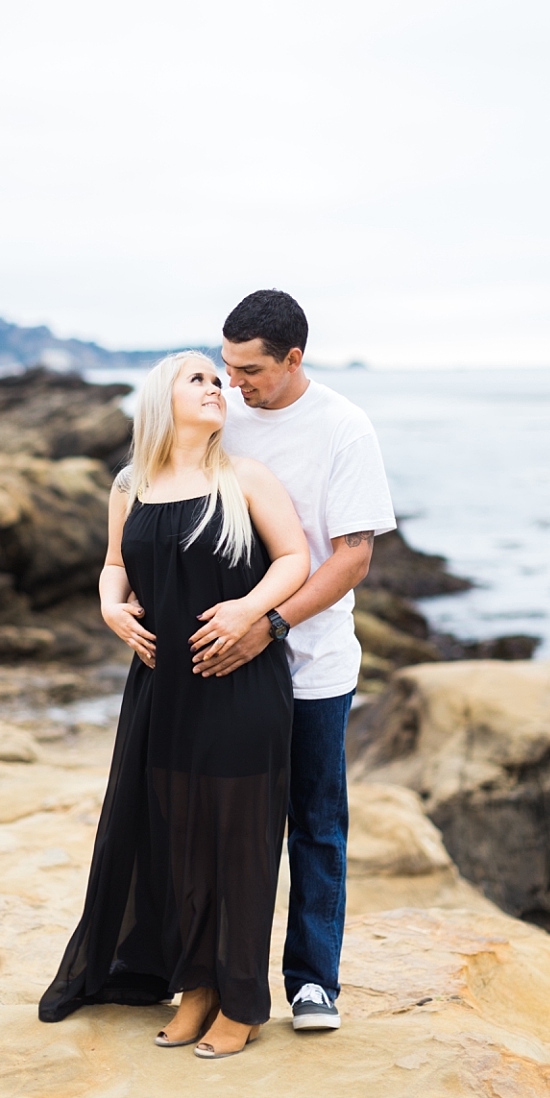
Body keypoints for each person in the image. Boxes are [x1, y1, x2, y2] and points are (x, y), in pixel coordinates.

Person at [38, 350, 310, 1059]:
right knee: (181, 841)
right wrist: (110, 609)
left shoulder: (243, 477)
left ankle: (242, 1001)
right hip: (162, 691)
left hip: (240, 685)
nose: (217, 388)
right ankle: (196, 989)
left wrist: (248, 612)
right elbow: (114, 566)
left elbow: (294, 560)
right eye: (200, 378)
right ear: (162, 396)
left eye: (221, 381)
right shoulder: (131, 485)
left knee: (240, 844)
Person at [192, 290, 396, 1033]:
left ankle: (314, 983)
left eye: (249, 370)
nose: (233, 383)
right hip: (226, 663)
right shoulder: (223, 416)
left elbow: (353, 557)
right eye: (225, 366)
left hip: (311, 664)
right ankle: (213, 979)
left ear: (293, 359)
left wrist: (269, 624)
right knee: (225, 825)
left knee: (314, 823)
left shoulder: (343, 427)